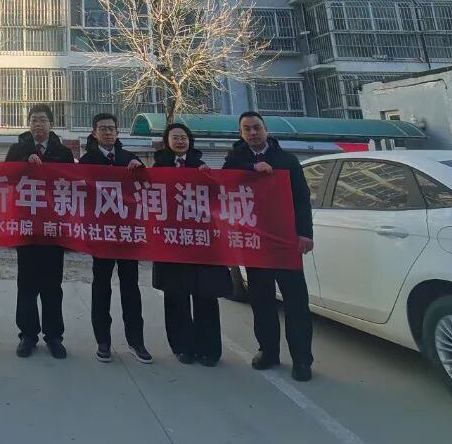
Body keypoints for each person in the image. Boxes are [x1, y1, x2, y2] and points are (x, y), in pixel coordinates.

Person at [223, 111, 315, 382]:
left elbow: (302, 199)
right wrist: (253, 169)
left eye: (257, 128)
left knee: (296, 303)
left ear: (266, 130)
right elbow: (224, 180)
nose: (253, 133)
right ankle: (268, 352)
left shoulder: (287, 160)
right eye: (247, 129)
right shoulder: (235, 160)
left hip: (285, 242)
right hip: (255, 243)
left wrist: (304, 233)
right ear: (241, 134)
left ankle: (302, 359)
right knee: (261, 301)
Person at [152, 122, 232, 367]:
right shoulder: (158, 167)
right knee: (176, 295)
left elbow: (219, 200)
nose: (180, 141)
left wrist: (211, 180)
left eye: (184, 137)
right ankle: (182, 347)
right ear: (167, 141)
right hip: (172, 242)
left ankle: (209, 349)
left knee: (205, 294)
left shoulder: (202, 166)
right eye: (175, 137)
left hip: (201, 242)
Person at [79, 113, 153, 365]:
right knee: (101, 288)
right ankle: (103, 341)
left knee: (130, 288)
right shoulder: (87, 161)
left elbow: (147, 189)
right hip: (101, 235)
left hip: (127, 235)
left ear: (117, 133)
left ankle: (136, 341)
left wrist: (139, 171)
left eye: (112, 128)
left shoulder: (130, 159)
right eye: (103, 129)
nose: (108, 132)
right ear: (94, 133)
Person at [5, 104, 74, 359]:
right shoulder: (17, 150)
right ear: (29, 123)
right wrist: (24, 163)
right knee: (26, 285)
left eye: (43, 120)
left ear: (51, 124)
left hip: (53, 229)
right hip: (26, 227)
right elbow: (6, 180)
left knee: (52, 286)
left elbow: (72, 185)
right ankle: (27, 335)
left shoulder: (63, 152)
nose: (38, 124)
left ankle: (54, 336)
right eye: (34, 120)